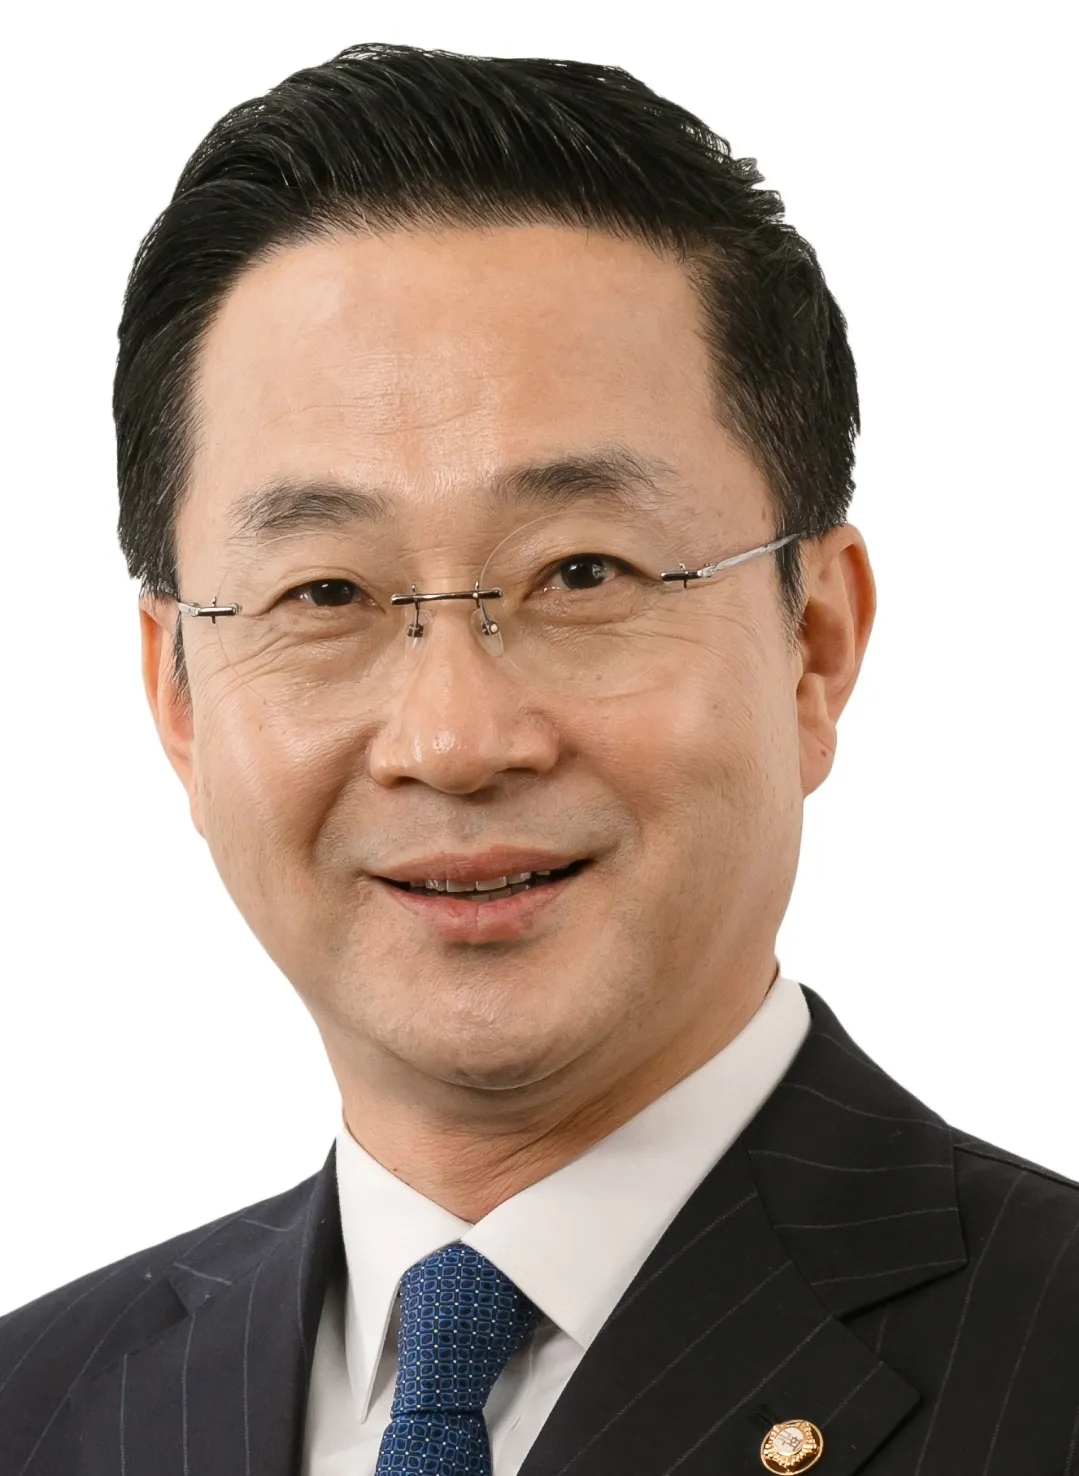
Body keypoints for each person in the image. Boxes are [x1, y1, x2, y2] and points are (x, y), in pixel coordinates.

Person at [2, 40, 1076, 1476]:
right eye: (326, 591)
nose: (453, 741)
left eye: (581, 572)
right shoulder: (36, 1409)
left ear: (814, 645)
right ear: (177, 696)